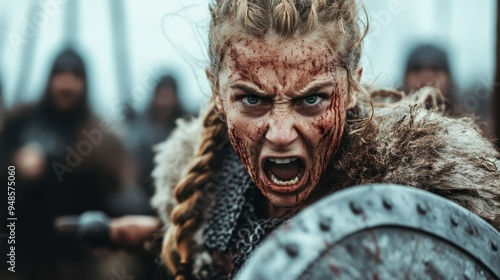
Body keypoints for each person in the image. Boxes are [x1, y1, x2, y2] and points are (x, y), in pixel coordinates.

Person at [151, 1, 500, 279]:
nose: (281, 134)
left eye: (312, 99)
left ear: (350, 88)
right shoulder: (204, 191)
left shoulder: (423, 198)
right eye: (253, 100)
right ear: (217, 92)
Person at [0, 48, 141, 280]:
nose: (67, 83)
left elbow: (123, 186)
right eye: (60, 74)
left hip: (73, 259)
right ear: (50, 78)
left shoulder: (98, 135)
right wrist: (15, 166)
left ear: (84, 83)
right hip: (17, 251)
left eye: (75, 76)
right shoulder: (20, 120)